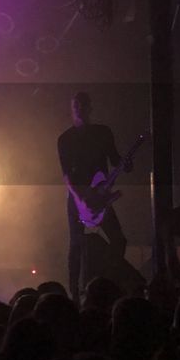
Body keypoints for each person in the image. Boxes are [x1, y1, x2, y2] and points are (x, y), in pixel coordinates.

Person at [58, 91, 130, 299]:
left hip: (101, 195)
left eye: (83, 105)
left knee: (119, 240)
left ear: (90, 108)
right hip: (78, 197)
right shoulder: (65, 139)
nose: (80, 108)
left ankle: (107, 282)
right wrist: (80, 199)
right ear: (72, 109)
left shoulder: (103, 133)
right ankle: (73, 293)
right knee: (76, 243)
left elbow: (115, 160)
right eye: (76, 105)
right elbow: (66, 175)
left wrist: (127, 164)